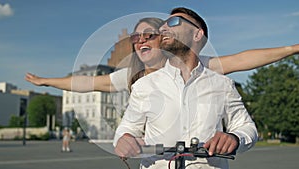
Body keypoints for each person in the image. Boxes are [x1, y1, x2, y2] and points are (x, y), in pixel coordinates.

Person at [113, 7, 258, 169]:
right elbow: (127, 128)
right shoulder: (143, 86)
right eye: (162, 26)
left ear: (197, 34)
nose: (163, 28)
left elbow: (246, 127)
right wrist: (124, 139)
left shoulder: (223, 85)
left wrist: (235, 138)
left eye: (173, 22)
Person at [25, 17, 299, 93]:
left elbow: (243, 59)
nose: (141, 40)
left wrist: (293, 48)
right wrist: (46, 81)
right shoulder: (133, 77)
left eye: (149, 35)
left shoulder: (197, 67)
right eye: (136, 38)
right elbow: (87, 83)